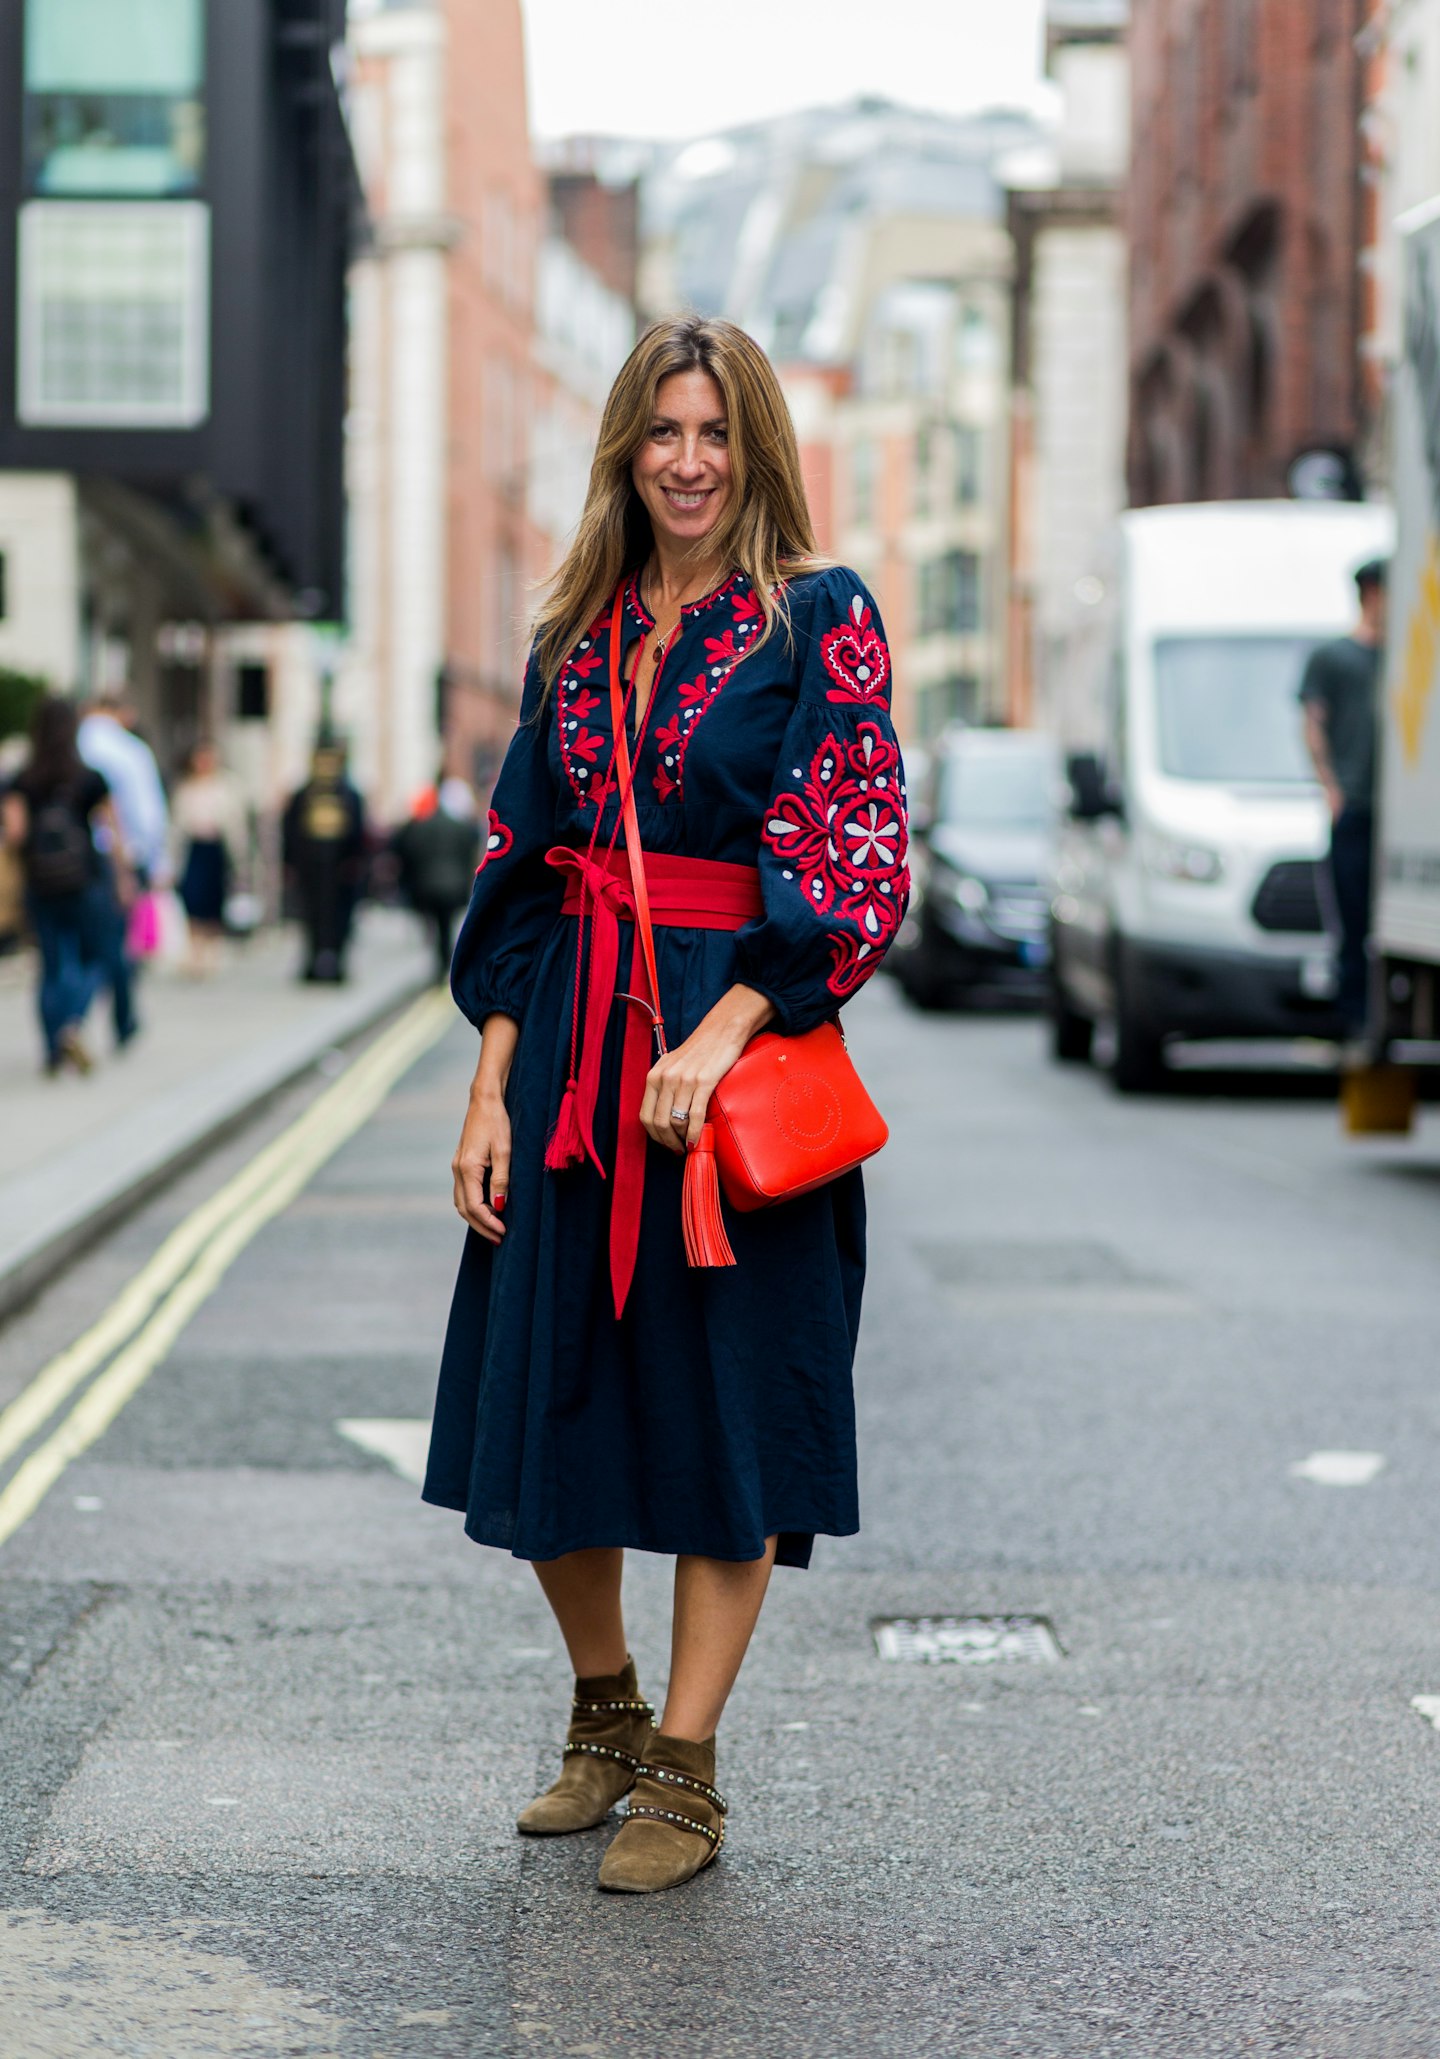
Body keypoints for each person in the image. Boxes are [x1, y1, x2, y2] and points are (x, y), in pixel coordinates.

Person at [423, 315, 910, 1894]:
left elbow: (855, 853)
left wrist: (730, 1025)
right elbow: (516, 864)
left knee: (728, 1408)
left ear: (752, 446)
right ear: (625, 451)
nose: (689, 462)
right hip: (570, 1049)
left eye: (714, 433)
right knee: (547, 1387)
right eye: (662, 434)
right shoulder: (576, 632)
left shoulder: (818, 618)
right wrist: (493, 1085)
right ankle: (606, 1707)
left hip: (732, 1063)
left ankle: (688, 1770)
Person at [1, 696, 132, 1074]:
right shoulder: (89, 777)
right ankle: (73, 1022)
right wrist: (123, 876)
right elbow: (113, 830)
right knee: (93, 956)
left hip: (40, 884)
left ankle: (51, 1049)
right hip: (84, 879)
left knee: (51, 963)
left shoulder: (22, 779)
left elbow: (15, 833)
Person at [1300, 557, 1388, 1037]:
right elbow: (1312, 723)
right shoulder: (1335, 657)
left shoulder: (1400, 658)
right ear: (1372, 593)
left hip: (1392, 814)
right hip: (1354, 807)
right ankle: (1352, 1020)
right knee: (1353, 920)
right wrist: (1330, 788)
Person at [77, 693, 168, 1048]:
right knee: (113, 943)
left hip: (65, 865)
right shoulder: (130, 751)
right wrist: (152, 861)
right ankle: (120, 1017)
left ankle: (68, 1021)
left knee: (76, 944)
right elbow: (147, 815)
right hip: (115, 859)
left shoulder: (64, 747)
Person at [282, 744, 367, 982]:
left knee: (338, 920)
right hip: (312, 870)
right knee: (312, 919)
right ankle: (314, 962)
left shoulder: (348, 795)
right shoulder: (306, 796)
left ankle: (335, 963)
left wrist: (354, 862)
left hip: (338, 871)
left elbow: (359, 834)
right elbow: (290, 831)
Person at [393, 775, 482, 982]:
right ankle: (445, 962)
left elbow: (407, 851)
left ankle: (441, 962)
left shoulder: (420, 826)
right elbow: (469, 853)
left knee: (435, 925)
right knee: (446, 925)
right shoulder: (461, 827)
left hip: (427, 884)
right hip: (453, 885)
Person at [173, 740, 245, 977]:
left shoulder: (226, 787)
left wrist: (240, 859)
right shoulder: (186, 788)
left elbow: (236, 826)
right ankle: (194, 952)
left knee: (214, 899)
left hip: (216, 848)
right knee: (192, 898)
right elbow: (177, 825)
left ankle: (211, 952)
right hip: (194, 847)